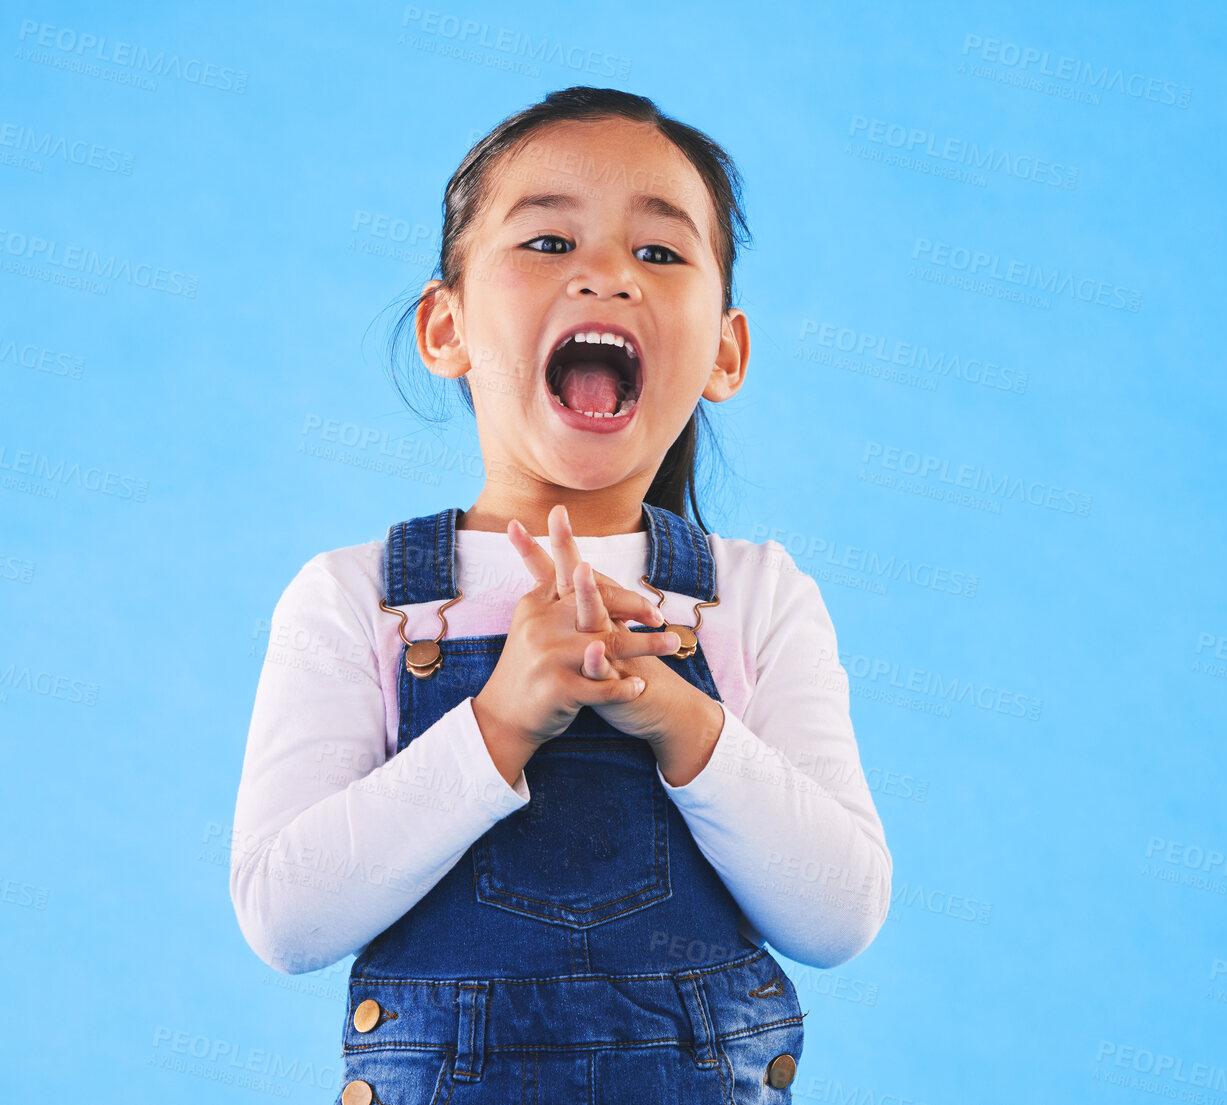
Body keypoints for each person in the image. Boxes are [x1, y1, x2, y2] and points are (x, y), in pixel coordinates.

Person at [228, 86, 891, 1103]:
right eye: (545, 242)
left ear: (724, 351)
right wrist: (497, 723)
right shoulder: (356, 599)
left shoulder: (755, 597)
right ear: (444, 327)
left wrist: (680, 719)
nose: (604, 275)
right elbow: (286, 916)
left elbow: (838, 914)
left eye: (660, 253)